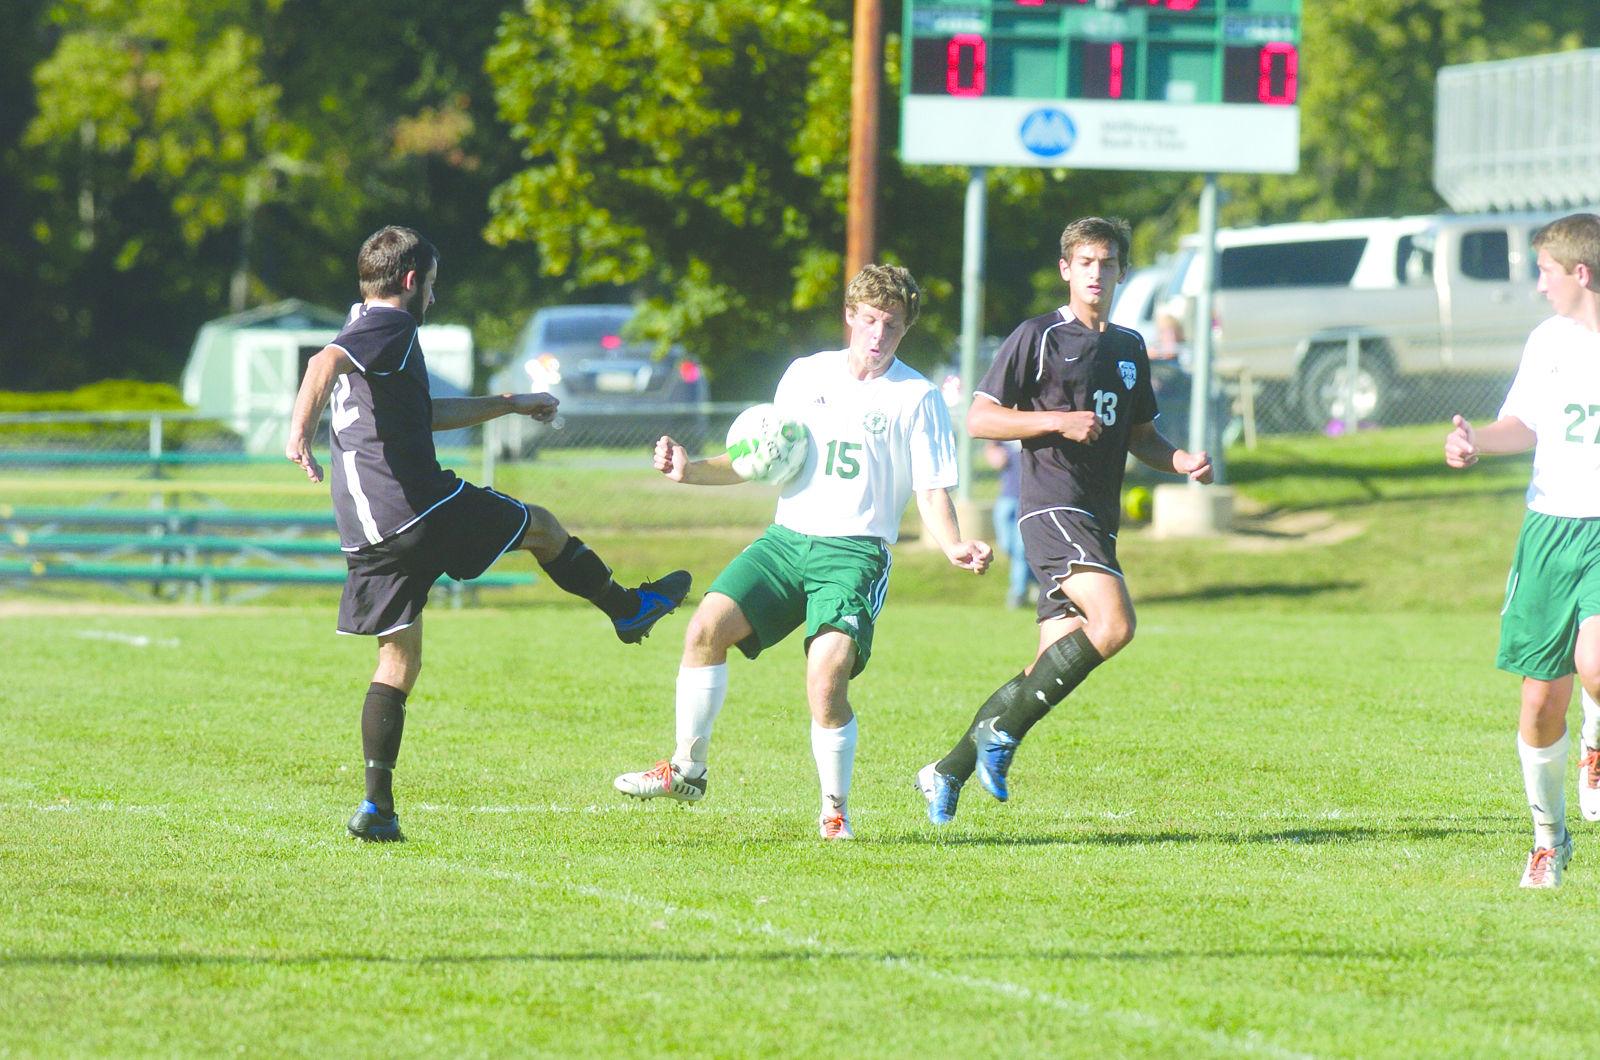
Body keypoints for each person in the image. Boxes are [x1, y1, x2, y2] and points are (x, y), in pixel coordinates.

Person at [285, 225, 692, 843]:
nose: (435, 299)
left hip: (366, 534)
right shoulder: (390, 325)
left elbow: (423, 416)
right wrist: (298, 434)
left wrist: (510, 402)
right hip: (417, 509)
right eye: (434, 286)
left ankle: (377, 807)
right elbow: (322, 362)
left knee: (398, 659)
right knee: (542, 528)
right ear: (413, 281)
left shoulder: (369, 333)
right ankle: (629, 608)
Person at [612, 264, 992, 839]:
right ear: (850, 316)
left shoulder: (917, 397)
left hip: (855, 554)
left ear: (904, 329)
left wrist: (954, 544)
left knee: (826, 676)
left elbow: (931, 488)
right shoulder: (804, 375)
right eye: (869, 320)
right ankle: (686, 770)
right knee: (704, 628)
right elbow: (759, 457)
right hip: (786, 542)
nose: (877, 335)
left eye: (891, 325)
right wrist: (689, 470)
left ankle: (834, 809)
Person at [915, 216, 1213, 824]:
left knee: (1040, 668)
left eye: (1107, 263)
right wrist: (1055, 421)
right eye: (1085, 262)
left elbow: (1142, 436)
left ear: (1122, 271)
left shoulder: (1130, 348)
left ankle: (946, 770)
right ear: (1066, 270)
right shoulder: (1039, 335)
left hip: (1098, 517)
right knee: (1115, 622)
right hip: (1051, 506)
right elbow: (980, 419)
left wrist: (1179, 459)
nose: (1097, 273)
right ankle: (1002, 739)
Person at [1444, 211, 1600, 889]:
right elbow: (1522, 425)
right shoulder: (1547, 342)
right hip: (1548, 530)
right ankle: (1549, 840)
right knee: (1540, 703)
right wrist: (1477, 440)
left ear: (1581, 274)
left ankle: (1596, 744)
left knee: (1596, 660)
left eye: (1546, 272)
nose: (1539, 286)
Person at [984, 439, 1037, 609]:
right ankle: (1038, 580)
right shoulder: (1006, 416)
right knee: (1007, 545)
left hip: (1030, 497)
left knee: (1021, 549)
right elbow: (992, 445)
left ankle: (1017, 593)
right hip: (1007, 495)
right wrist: (993, 455)